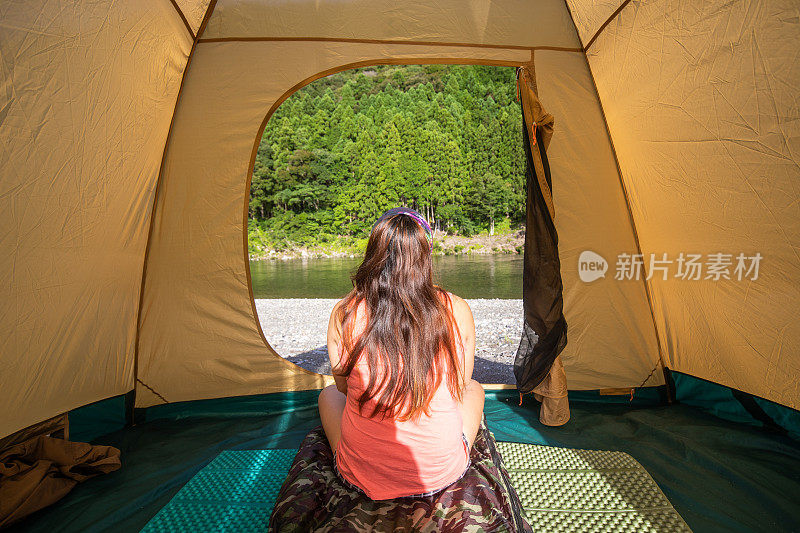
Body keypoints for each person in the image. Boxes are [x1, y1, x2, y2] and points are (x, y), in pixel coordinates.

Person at [317, 207, 485, 501]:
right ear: (426, 255)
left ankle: (351, 458)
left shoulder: (345, 311)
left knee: (328, 395)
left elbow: (344, 388)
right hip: (440, 474)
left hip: (359, 475)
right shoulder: (456, 309)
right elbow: (459, 387)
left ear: (374, 253)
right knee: (475, 390)